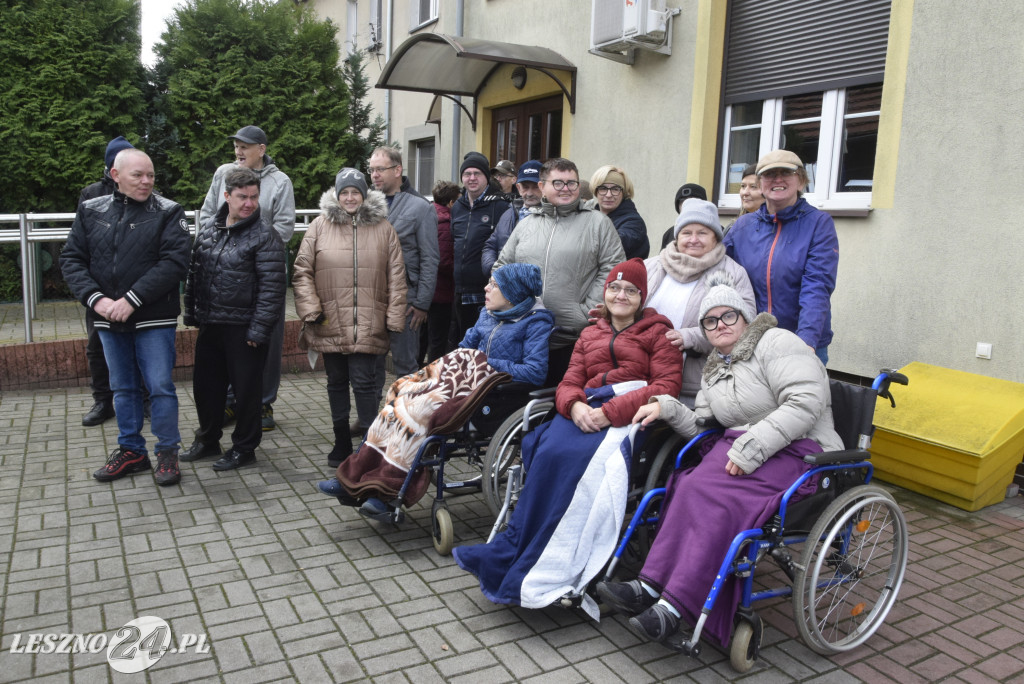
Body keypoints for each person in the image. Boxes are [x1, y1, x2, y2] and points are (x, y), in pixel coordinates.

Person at [596, 273, 842, 647]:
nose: (719, 325)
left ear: (745, 318)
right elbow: (704, 427)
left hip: (801, 451)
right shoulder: (714, 367)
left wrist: (753, 445)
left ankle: (677, 608)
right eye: (710, 321)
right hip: (742, 452)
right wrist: (667, 408)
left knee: (721, 500)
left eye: (728, 316)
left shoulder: (777, 343)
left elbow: (805, 403)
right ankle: (650, 584)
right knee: (688, 483)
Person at [453, 259, 681, 617]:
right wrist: (574, 406)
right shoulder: (590, 333)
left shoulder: (658, 334)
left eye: (631, 290)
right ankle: (513, 547)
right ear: (605, 292)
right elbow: (570, 380)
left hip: (627, 417)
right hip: (582, 411)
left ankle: (555, 563)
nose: (621, 295)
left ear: (642, 297)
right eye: (614, 288)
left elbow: (666, 386)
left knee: (573, 464)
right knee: (544, 450)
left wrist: (609, 413)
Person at [316, 262, 555, 516]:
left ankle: (388, 492)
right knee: (399, 395)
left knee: (416, 411)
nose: (486, 288)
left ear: (512, 293)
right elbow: (465, 348)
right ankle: (356, 476)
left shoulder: (535, 323)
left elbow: (535, 372)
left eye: (494, 285)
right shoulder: (489, 313)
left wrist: (484, 362)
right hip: (461, 381)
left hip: (491, 397)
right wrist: (466, 359)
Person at [60, 149, 191, 486]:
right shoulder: (91, 210)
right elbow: (72, 259)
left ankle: (167, 453)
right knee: (122, 388)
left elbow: (175, 262)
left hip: (153, 318)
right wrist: (97, 300)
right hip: (107, 318)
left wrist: (132, 299)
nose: (147, 181)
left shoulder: (168, 211)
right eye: (138, 175)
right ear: (115, 176)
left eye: (150, 175)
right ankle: (131, 451)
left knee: (160, 387)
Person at [292, 168, 407, 468]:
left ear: (364, 195)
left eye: (356, 192)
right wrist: (310, 309)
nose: (350, 197)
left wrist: (394, 317)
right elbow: (301, 271)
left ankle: (370, 442)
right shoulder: (318, 226)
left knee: (366, 384)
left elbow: (397, 276)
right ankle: (341, 439)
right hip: (330, 321)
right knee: (337, 382)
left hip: (370, 322)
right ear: (337, 195)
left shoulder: (384, 228)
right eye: (345, 192)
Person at [180, 168, 286, 471]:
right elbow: (194, 274)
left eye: (254, 197)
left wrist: (260, 329)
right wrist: (192, 313)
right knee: (206, 388)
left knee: (247, 392)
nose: (249, 203)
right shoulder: (210, 231)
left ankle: (244, 448)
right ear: (227, 197)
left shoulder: (266, 236)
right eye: (242, 197)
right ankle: (208, 438)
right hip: (211, 324)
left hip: (245, 329)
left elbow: (272, 288)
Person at [493, 157, 625, 385]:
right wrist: (507, 306)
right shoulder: (527, 224)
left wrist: (584, 312)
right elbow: (502, 266)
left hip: (571, 339)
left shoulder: (598, 223)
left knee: (561, 402)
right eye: (558, 183)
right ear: (542, 186)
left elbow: (613, 269)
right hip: (523, 335)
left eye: (571, 183)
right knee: (520, 407)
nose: (566, 189)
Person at [199, 125, 295, 431]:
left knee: (265, 339)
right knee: (227, 342)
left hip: (262, 275)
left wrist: (251, 251)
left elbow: (285, 228)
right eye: (237, 146)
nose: (239, 151)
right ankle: (232, 401)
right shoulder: (223, 173)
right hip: (225, 275)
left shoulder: (280, 182)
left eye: (246, 146)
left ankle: (263, 402)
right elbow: (206, 215)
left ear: (261, 149)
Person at [626, 199, 754, 405]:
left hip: (692, 387)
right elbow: (626, 306)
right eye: (687, 233)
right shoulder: (649, 266)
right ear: (677, 236)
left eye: (702, 233)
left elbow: (745, 328)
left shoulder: (733, 274)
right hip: (636, 376)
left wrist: (690, 337)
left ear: (715, 237)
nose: (694, 239)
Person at [724, 149, 839, 365]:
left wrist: (805, 343)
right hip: (752, 341)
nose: (777, 179)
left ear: (801, 180)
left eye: (786, 173)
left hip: (799, 339)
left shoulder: (818, 224)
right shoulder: (743, 226)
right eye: (769, 174)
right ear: (760, 183)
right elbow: (717, 271)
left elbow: (817, 286)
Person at [76, 135, 137, 427]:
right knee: (96, 344)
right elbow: (80, 244)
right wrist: (94, 292)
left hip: (135, 287)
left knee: (140, 342)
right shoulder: (91, 195)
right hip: (101, 288)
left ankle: (145, 398)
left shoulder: (145, 191)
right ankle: (103, 401)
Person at [367, 145, 440, 381]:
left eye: (380, 169)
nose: (374, 175)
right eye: (371, 170)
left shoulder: (420, 207)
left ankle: (407, 416)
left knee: (406, 364)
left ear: (397, 170)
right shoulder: (364, 204)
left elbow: (430, 257)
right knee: (371, 364)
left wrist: (422, 303)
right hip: (372, 297)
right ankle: (371, 417)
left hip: (407, 301)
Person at [450, 151, 510, 343]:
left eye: (477, 173)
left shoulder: (500, 206)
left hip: (487, 293)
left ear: (486, 177)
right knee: (462, 346)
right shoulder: (458, 206)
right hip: (459, 291)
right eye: (467, 174)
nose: (472, 178)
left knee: (482, 347)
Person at [421, 180, 461, 364]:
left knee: (422, 338)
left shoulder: (427, 215)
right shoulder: (445, 223)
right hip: (441, 292)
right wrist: (460, 270)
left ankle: (415, 376)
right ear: (451, 202)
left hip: (426, 290)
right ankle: (433, 379)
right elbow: (444, 261)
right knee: (438, 340)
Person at [481, 160, 542, 276]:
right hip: (505, 288)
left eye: (535, 187)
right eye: (525, 187)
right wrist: (494, 270)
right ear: (518, 187)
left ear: (543, 186)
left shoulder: (551, 216)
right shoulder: (509, 213)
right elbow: (490, 246)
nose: (529, 193)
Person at [587, 165, 649, 260]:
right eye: (603, 188)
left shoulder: (634, 222)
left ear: (623, 193)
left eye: (615, 189)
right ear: (596, 192)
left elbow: (613, 244)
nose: (608, 195)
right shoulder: (589, 217)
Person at [660, 183, 715, 249]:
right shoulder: (669, 233)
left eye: (693, 202)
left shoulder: (716, 230)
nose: (688, 206)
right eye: (683, 202)